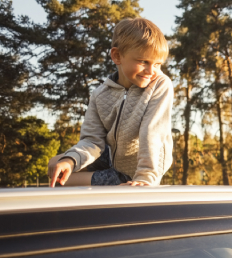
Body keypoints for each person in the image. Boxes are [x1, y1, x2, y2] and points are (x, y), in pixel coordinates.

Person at [48, 18, 173, 187]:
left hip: (135, 169)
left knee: (63, 181)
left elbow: (152, 133)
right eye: (143, 62)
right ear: (117, 56)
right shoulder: (101, 94)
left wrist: (145, 178)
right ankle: (95, 174)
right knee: (56, 165)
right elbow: (92, 141)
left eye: (157, 64)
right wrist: (70, 160)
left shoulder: (160, 84)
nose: (151, 71)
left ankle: (117, 184)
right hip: (112, 156)